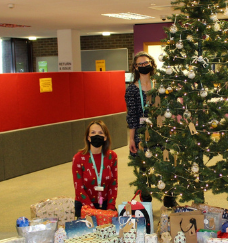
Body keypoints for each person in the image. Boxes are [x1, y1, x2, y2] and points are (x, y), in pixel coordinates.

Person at [125, 52, 176, 208]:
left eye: (145, 63)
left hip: (161, 133)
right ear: (135, 67)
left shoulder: (160, 86)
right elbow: (132, 116)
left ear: (152, 64)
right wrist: (131, 139)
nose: (143, 66)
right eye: (139, 64)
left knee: (166, 167)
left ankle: (169, 203)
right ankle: (146, 206)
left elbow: (168, 110)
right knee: (144, 170)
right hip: (142, 133)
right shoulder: (132, 90)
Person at [72, 120, 118, 218]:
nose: (97, 135)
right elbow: (78, 188)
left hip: (105, 204)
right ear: (88, 138)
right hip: (85, 205)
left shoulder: (112, 156)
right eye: (93, 133)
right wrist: (92, 211)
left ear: (105, 137)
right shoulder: (78, 158)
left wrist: (110, 207)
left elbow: (113, 185)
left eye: (100, 133)